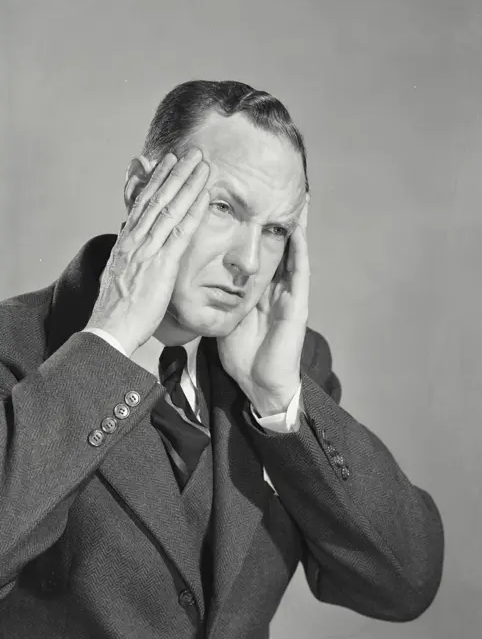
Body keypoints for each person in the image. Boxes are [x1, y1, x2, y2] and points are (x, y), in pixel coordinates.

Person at [0, 80, 443, 638]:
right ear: (140, 190)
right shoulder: (11, 345)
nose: (249, 261)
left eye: (276, 229)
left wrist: (282, 406)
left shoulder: (288, 370)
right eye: (224, 207)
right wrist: (110, 344)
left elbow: (405, 585)